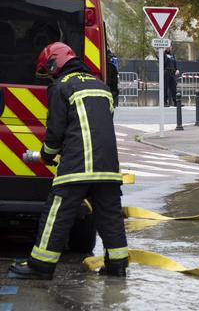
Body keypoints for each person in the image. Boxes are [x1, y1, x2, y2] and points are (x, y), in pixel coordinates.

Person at [8, 42, 128, 280]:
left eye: (48, 70)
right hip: (109, 168)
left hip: (77, 167)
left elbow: (55, 132)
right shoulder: (102, 87)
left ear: (55, 63)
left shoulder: (61, 87)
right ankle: (117, 267)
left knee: (57, 214)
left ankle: (40, 267)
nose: (49, 76)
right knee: (110, 216)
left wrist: (46, 155)